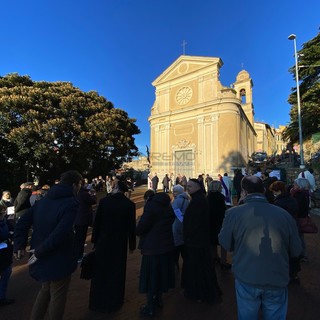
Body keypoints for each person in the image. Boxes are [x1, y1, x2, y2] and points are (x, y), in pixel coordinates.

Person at [219, 175, 302, 320]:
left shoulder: (233, 213)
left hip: (247, 276)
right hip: (277, 277)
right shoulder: (284, 215)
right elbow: (296, 250)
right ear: (263, 190)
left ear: (243, 192)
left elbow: (225, 244)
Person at [13, 170, 83, 320]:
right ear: (74, 184)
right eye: (79, 185)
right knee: (58, 295)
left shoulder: (43, 200)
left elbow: (23, 222)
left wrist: (19, 244)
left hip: (41, 254)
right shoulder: (71, 203)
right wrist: (39, 251)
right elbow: (61, 233)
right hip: (58, 255)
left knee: (45, 289)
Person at [89, 180, 136, 313]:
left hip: (103, 241)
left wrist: (94, 240)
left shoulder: (104, 202)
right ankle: (114, 302)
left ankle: (97, 302)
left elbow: (97, 223)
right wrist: (132, 245)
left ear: (115, 188)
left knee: (100, 271)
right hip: (119, 242)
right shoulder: (129, 205)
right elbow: (131, 227)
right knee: (117, 271)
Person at [182, 179, 222, 304]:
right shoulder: (199, 199)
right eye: (187, 186)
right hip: (199, 240)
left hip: (196, 241)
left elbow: (194, 222)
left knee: (199, 268)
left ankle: (201, 292)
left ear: (198, 187)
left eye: (190, 186)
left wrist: (187, 235)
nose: (187, 188)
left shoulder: (198, 201)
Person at [136, 191, 175, 317]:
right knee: (160, 274)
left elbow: (142, 227)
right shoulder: (168, 206)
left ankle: (150, 306)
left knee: (151, 276)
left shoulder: (151, 206)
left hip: (152, 247)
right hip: (166, 246)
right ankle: (158, 300)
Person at [269, 181, 301, 284]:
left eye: (274, 191)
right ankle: (294, 274)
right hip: (294, 227)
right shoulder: (292, 199)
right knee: (293, 252)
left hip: (282, 230)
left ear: (278, 191)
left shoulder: (278, 202)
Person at [207, 180, 231, 270]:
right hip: (219, 222)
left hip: (210, 222)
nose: (221, 187)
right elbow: (222, 211)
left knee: (213, 241)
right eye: (220, 186)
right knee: (223, 243)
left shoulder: (208, 197)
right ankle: (223, 262)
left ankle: (215, 257)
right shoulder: (220, 197)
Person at [74, 181, 97, 262]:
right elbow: (93, 201)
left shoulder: (74, 193)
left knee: (77, 237)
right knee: (81, 237)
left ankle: (77, 254)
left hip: (76, 218)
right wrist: (94, 195)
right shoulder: (83, 194)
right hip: (82, 218)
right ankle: (79, 256)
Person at [290, 178, 311, 262]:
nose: (294, 186)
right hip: (301, 217)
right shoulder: (305, 194)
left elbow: (297, 207)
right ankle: (302, 254)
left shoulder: (300, 195)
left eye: (295, 184)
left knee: (299, 237)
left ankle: (301, 254)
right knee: (300, 237)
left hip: (298, 218)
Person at [171, 184, 190, 271]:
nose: (173, 193)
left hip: (177, 225)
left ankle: (175, 266)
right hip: (184, 225)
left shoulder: (178, 200)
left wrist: (181, 219)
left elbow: (174, 211)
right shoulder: (187, 199)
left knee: (176, 247)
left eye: (174, 191)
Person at [0, 205, 14, 306]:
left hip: (5, 253)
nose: (4, 214)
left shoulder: (5, 222)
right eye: (2, 212)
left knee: (6, 272)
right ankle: (2, 298)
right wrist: (6, 242)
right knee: (6, 272)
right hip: (3, 253)